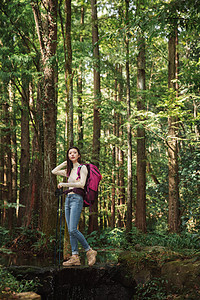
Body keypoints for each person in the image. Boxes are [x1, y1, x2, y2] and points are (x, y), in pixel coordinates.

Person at [52, 146, 97, 267]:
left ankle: (89, 250)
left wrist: (64, 183)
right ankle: (75, 256)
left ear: (79, 155)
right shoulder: (69, 170)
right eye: (70, 153)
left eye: (74, 153)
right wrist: (64, 163)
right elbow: (54, 171)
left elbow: (81, 184)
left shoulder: (82, 168)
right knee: (71, 231)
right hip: (68, 199)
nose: (72, 154)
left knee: (72, 229)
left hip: (77, 199)